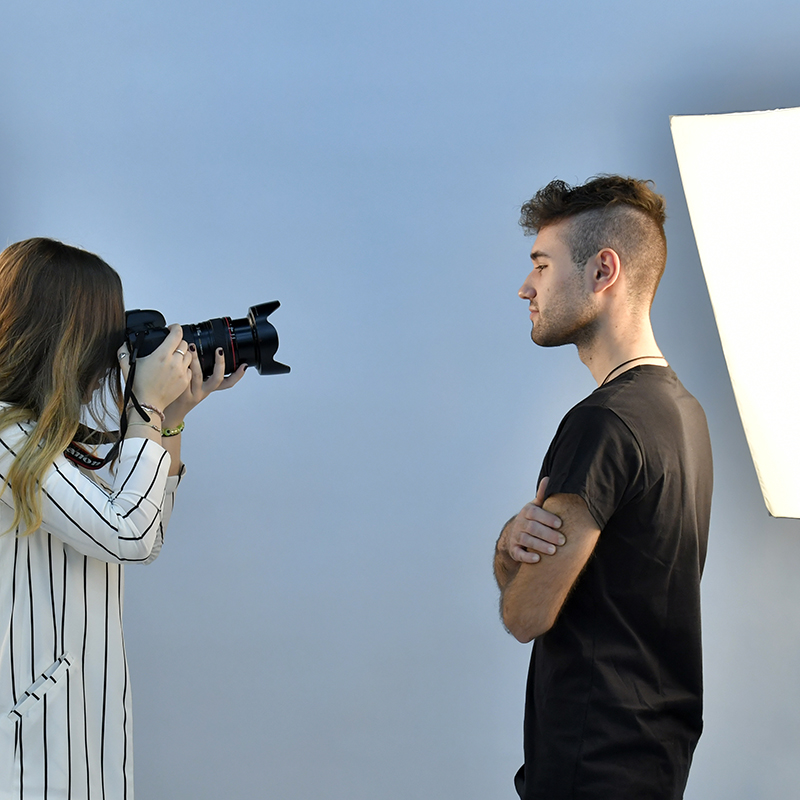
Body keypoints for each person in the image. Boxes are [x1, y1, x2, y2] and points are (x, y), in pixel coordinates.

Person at [0, 238, 245, 798]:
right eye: (103, 333)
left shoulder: (50, 440)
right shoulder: (7, 438)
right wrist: (145, 409)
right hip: (30, 751)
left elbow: (144, 535)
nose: (111, 353)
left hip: (86, 731)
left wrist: (171, 419)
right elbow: (126, 533)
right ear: (66, 338)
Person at [493, 177, 713, 799]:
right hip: (654, 765)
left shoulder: (602, 424)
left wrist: (508, 545)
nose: (526, 287)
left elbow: (525, 614)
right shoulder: (684, 413)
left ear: (602, 270)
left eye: (543, 265)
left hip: (588, 771)